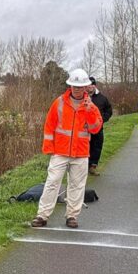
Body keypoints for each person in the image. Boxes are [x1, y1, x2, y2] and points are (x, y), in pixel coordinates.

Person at [31, 68, 103, 229]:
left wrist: (90, 110)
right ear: (70, 86)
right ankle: (42, 215)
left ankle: (72, 216)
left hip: (81, 152)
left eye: (80, 87)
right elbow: (49, 125)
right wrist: (49, 147)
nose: (77, 90)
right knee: (52, 182)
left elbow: (95, 128)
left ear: (86, 87)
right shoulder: (59, 102)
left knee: (77, 185)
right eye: (74, 86)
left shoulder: (91, 106)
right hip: (60, 152)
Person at [87, 76, 113, 175]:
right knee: (86, 147)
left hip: (98, 128)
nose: (90, 87)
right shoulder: (82, 97)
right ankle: (84, 166)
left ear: (94, 86)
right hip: (85, 129)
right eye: (88, 85)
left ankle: (93, 166)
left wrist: (102, 120)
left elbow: (109, 110)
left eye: (92, 85)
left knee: (97, 147)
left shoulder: (102, 98)